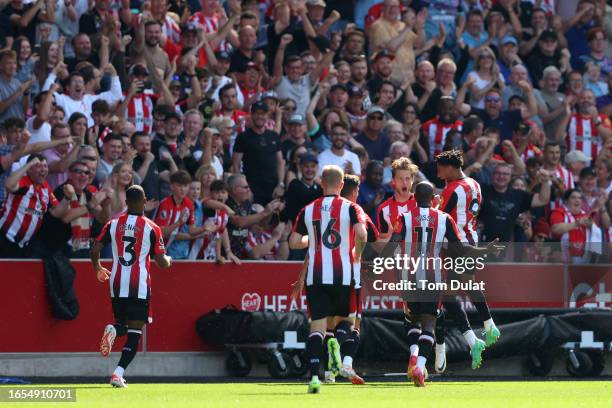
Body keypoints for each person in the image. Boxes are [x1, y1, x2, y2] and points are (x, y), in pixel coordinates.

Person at [390, 181, 503, 387]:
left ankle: (416, 359)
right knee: (429, 325)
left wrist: (373, 262)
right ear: (434, 198)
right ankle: (420, 367)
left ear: (414, 197)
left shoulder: (404, 218)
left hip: (409, 278)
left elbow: (390, 247)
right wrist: (486, 250)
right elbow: (460, 249)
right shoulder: (444, 219)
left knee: (413, 322)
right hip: (434, 278)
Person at [289, 165, 367, 393]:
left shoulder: (307, 209)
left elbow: (293, 242)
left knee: (317, 327)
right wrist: (357, 253)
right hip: (343, 274)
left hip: (316, 275)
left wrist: (311, 241)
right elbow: (362, 234)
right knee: (347, 321)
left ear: (321, 184)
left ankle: (314, 378)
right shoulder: (351, 208)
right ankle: (336, 343)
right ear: (342, 185)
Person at [91, 184, 172, 388]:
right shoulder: (152, 228)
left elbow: (95, 249)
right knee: (135, 333)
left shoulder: (113, 223)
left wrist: (98, 268)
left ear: (126, 203)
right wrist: (169, 260)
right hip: (139, 285)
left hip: (116, 282)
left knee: (122, 325)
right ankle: (117, 374)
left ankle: (114, 330)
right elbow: (161, 262)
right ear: (145, 202)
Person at [434, 149, 497, 371]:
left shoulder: (452, 190)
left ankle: (481, 334)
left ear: (450, 167)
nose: (440, 176)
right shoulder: (475, 184)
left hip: (456, 244)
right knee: (466, 285)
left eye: (441, 171)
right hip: (472, 237)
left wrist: (433, 205)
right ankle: (485, 330)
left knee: (450, 297)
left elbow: (439, 217)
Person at [0, 154, 71, 257]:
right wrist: (28, 165)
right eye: (38, 166)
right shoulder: (24, 182)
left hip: (23, 245)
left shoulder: (46, 187)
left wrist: (67, 198)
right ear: (29, 169)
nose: (43, 169)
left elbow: (57, 212)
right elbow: (8, 185)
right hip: (4, 238)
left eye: (45, 166)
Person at [479, 162, 552, 242]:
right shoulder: (481, 190)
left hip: (506, 246)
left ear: (510, 177)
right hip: (482, 244)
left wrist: (545, 181)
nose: (501, 176)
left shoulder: (518, 195)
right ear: (492, 175)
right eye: (498, 173)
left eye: (505, 174)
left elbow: (542, 200)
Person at [232, 101, 284, 205]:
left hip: (273, 189)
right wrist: (245, 188)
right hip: (252, 188)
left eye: (263, 113)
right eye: (257, 113)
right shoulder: (243, 137)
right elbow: (235, 164)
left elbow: (280, 162)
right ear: (251, 115)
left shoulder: (274, 136)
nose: (260, 116)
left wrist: (280, 184)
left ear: (267, 115)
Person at [376, 157, 417, 238]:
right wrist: (390, 235)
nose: (404, 183)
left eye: (407, 179)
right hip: (394, 250)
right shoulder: (383, 209)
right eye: (400, 179)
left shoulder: (420, 204)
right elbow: (380, 238)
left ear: (412, 180)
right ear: (393, 181)